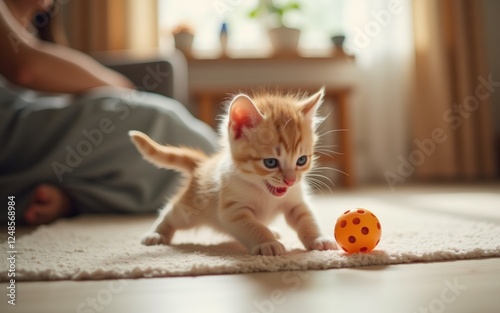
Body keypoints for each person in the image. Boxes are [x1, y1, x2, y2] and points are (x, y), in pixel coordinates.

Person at [0, 0, 218, 225]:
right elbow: (26, 69)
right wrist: (117, 85)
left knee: (147, 140)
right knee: (157, 120)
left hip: (32, 116)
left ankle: (74, 197)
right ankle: (223, 177)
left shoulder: (33, 26)